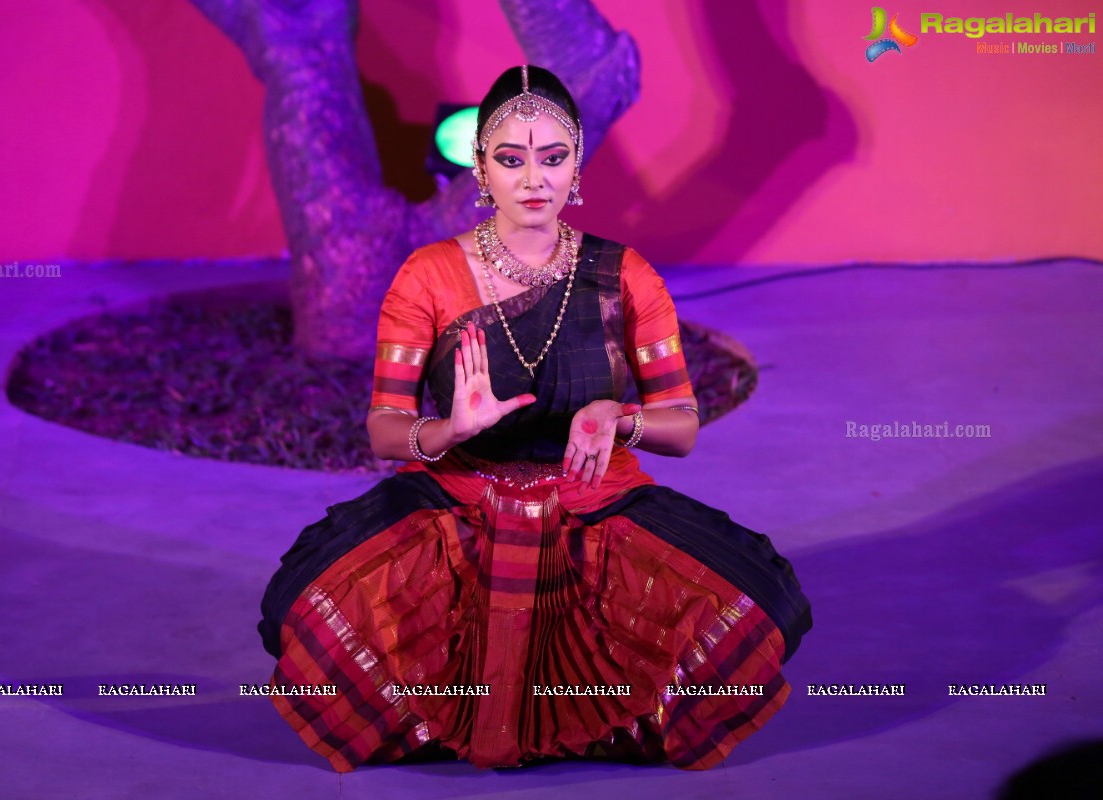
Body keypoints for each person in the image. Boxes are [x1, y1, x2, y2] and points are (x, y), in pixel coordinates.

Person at [258, 65, 811, 771]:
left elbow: (682, 425)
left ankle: (597, 719)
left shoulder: (624, 275)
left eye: (553, 158)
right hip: (458, 503)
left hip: (595, 503)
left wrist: (618, 418)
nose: (534, 180)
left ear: (577, 163)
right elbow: (384, 429)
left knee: (762, 609)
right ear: (481, 167)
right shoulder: (427, 275)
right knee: (302, 611)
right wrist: (450, 432)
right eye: (511, 159)